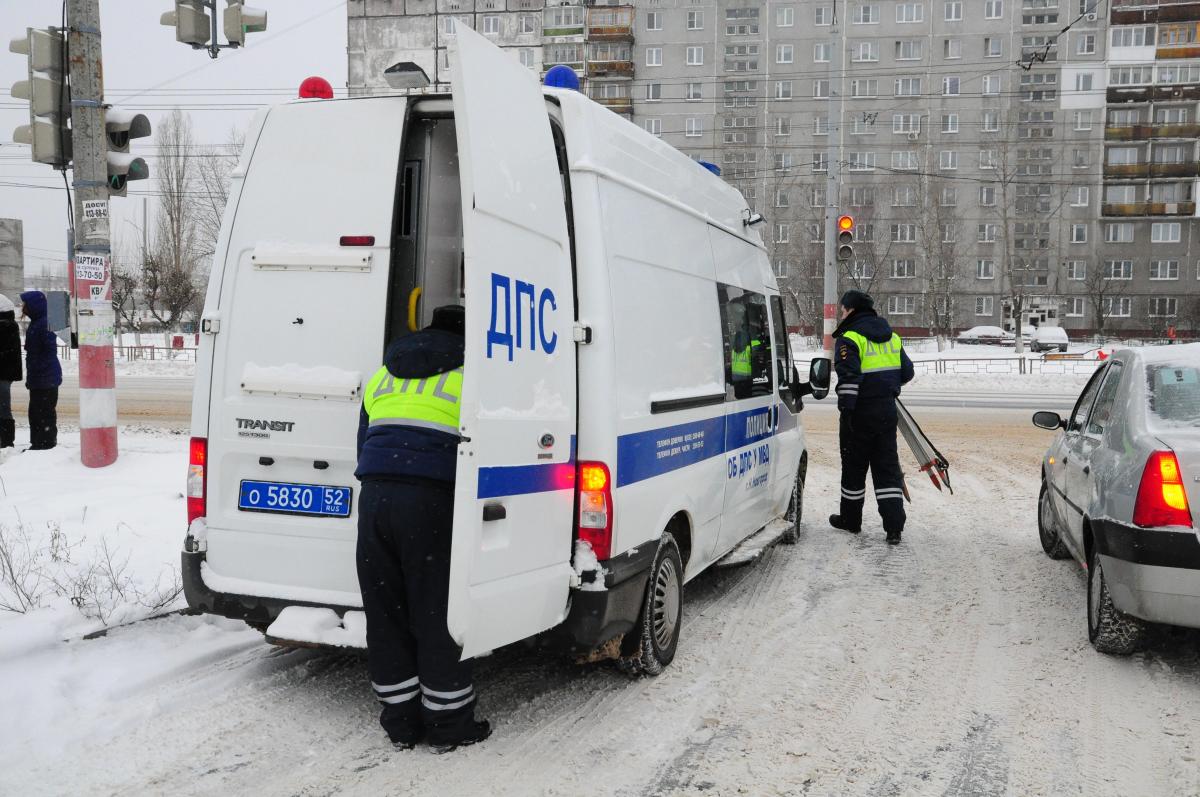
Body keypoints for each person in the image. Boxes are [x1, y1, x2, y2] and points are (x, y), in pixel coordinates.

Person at [354, 304, 490, 754]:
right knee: (436, 611)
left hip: (375, 496)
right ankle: (449, 724)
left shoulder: (384, 372)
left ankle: (401, 722)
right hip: (431, 498)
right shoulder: (471, 370)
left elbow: (364, 436)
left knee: (385, 609)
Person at [829, 290, 915, 545]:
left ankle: (851, 521)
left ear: (852, 310)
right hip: (887, 414)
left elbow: (849, 381)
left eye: (843, 310)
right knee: (887, 469)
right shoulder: (893, 337)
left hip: (859, 414)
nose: (841, 314)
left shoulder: (849, 339)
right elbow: (907, 372)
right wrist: (884, 387)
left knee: (854, 469)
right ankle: (894, 528)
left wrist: (847, 412)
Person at [19, 291, 62, 451]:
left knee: (43, 415)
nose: (23, 307)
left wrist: (38, 371)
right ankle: (38, 444)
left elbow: (48, 351)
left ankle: (44, 446)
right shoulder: (38, 322)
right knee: (37, 414)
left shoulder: (43, 324)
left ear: (34, 306)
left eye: (25, 304)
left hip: (45, 378)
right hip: (41, 378)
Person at [0, 294, 21, 448]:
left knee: (3, 409)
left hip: (3, 374)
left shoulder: (4, 326)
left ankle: (6, 441)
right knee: (4, 408)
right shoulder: (11, 325)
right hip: (6, 374)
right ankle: (7, 440)